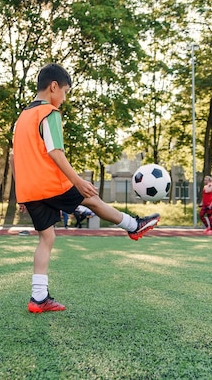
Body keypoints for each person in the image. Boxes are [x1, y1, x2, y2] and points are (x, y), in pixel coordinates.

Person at [12, 63, 161, 313]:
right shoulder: (49, 113)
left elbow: (14, 157)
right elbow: (55, 152)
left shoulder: (22, 117)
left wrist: (21, 193)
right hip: (50, 183)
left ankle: (38, 298)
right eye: (65, 92)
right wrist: (78, 181)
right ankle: (134, 226)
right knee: (91, 200)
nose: (64, 99)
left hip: (30, 189)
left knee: (46, 238)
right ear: (53, 87)